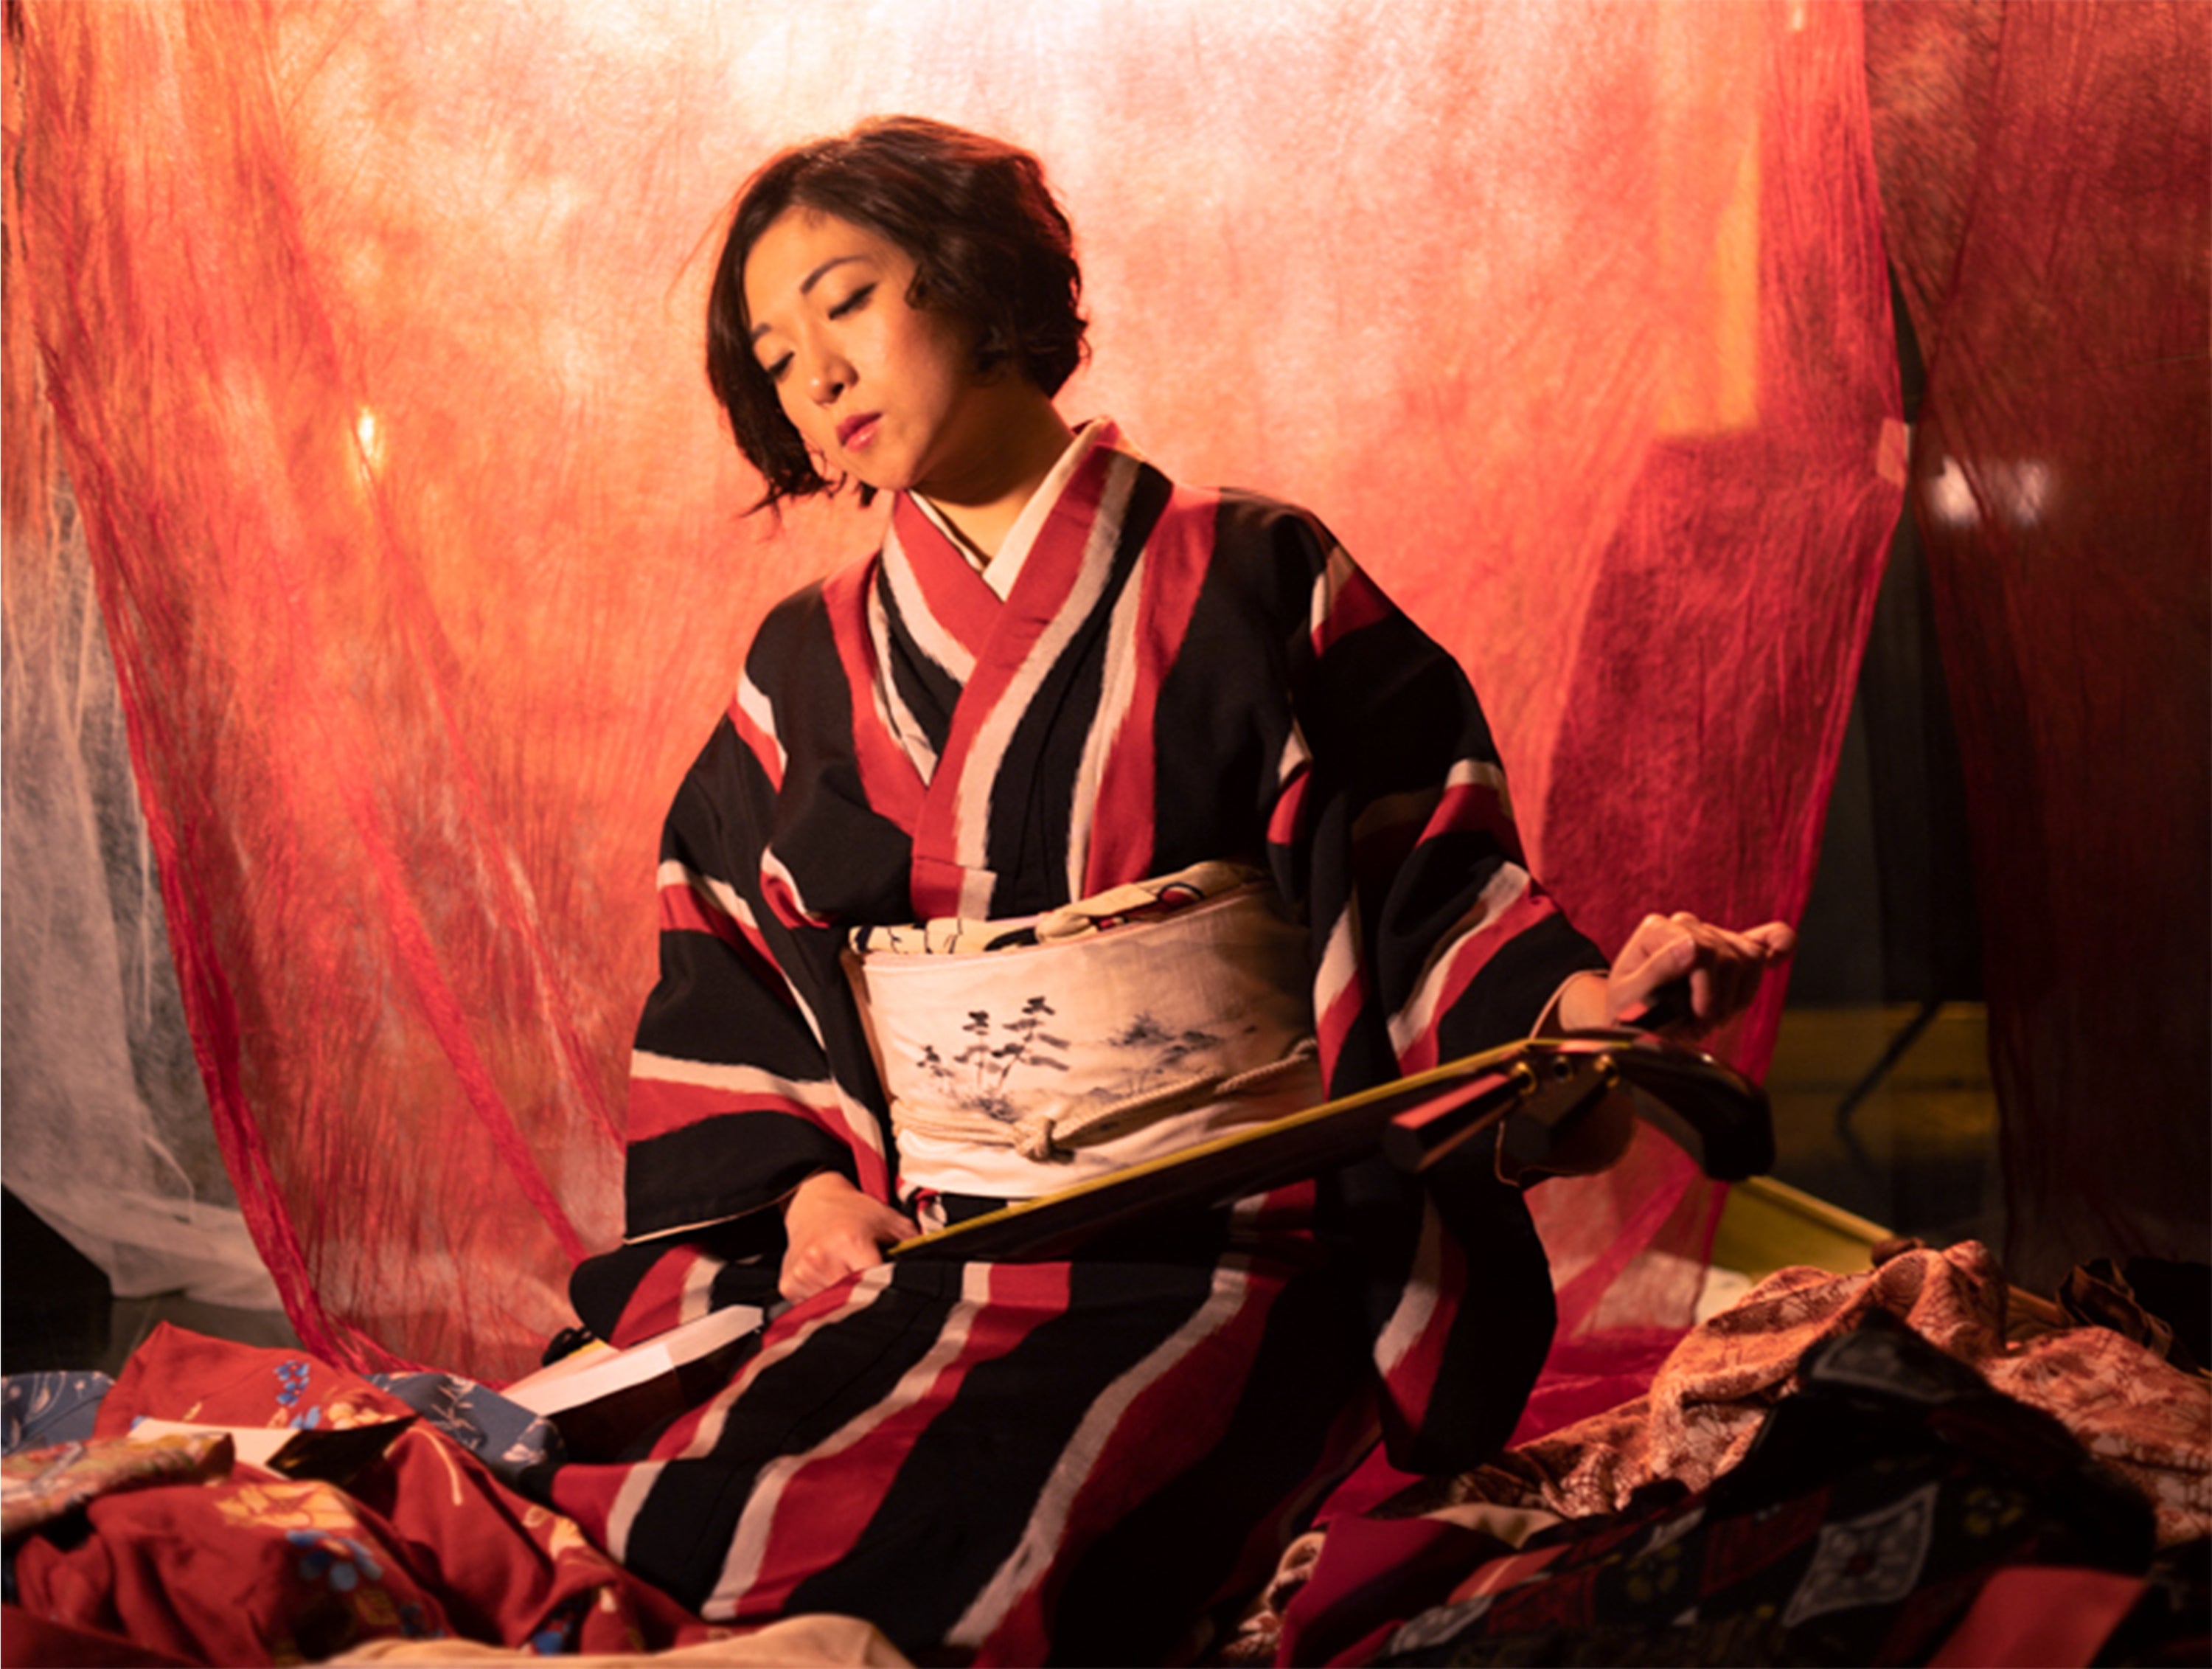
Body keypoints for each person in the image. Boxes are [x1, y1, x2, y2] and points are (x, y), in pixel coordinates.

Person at [553, 115, 1792, 1665]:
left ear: (975, 279)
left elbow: (1431, 892)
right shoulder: (800, 666)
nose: (817, 376)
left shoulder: (1256, 577)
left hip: (1231, 1250)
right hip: (928, 1250)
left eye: (847, 301)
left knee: (1000, 1523)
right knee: (685, 1487)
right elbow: (730, 971)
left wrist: (1594, 1008)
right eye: (776, 356)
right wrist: (805, 1196)